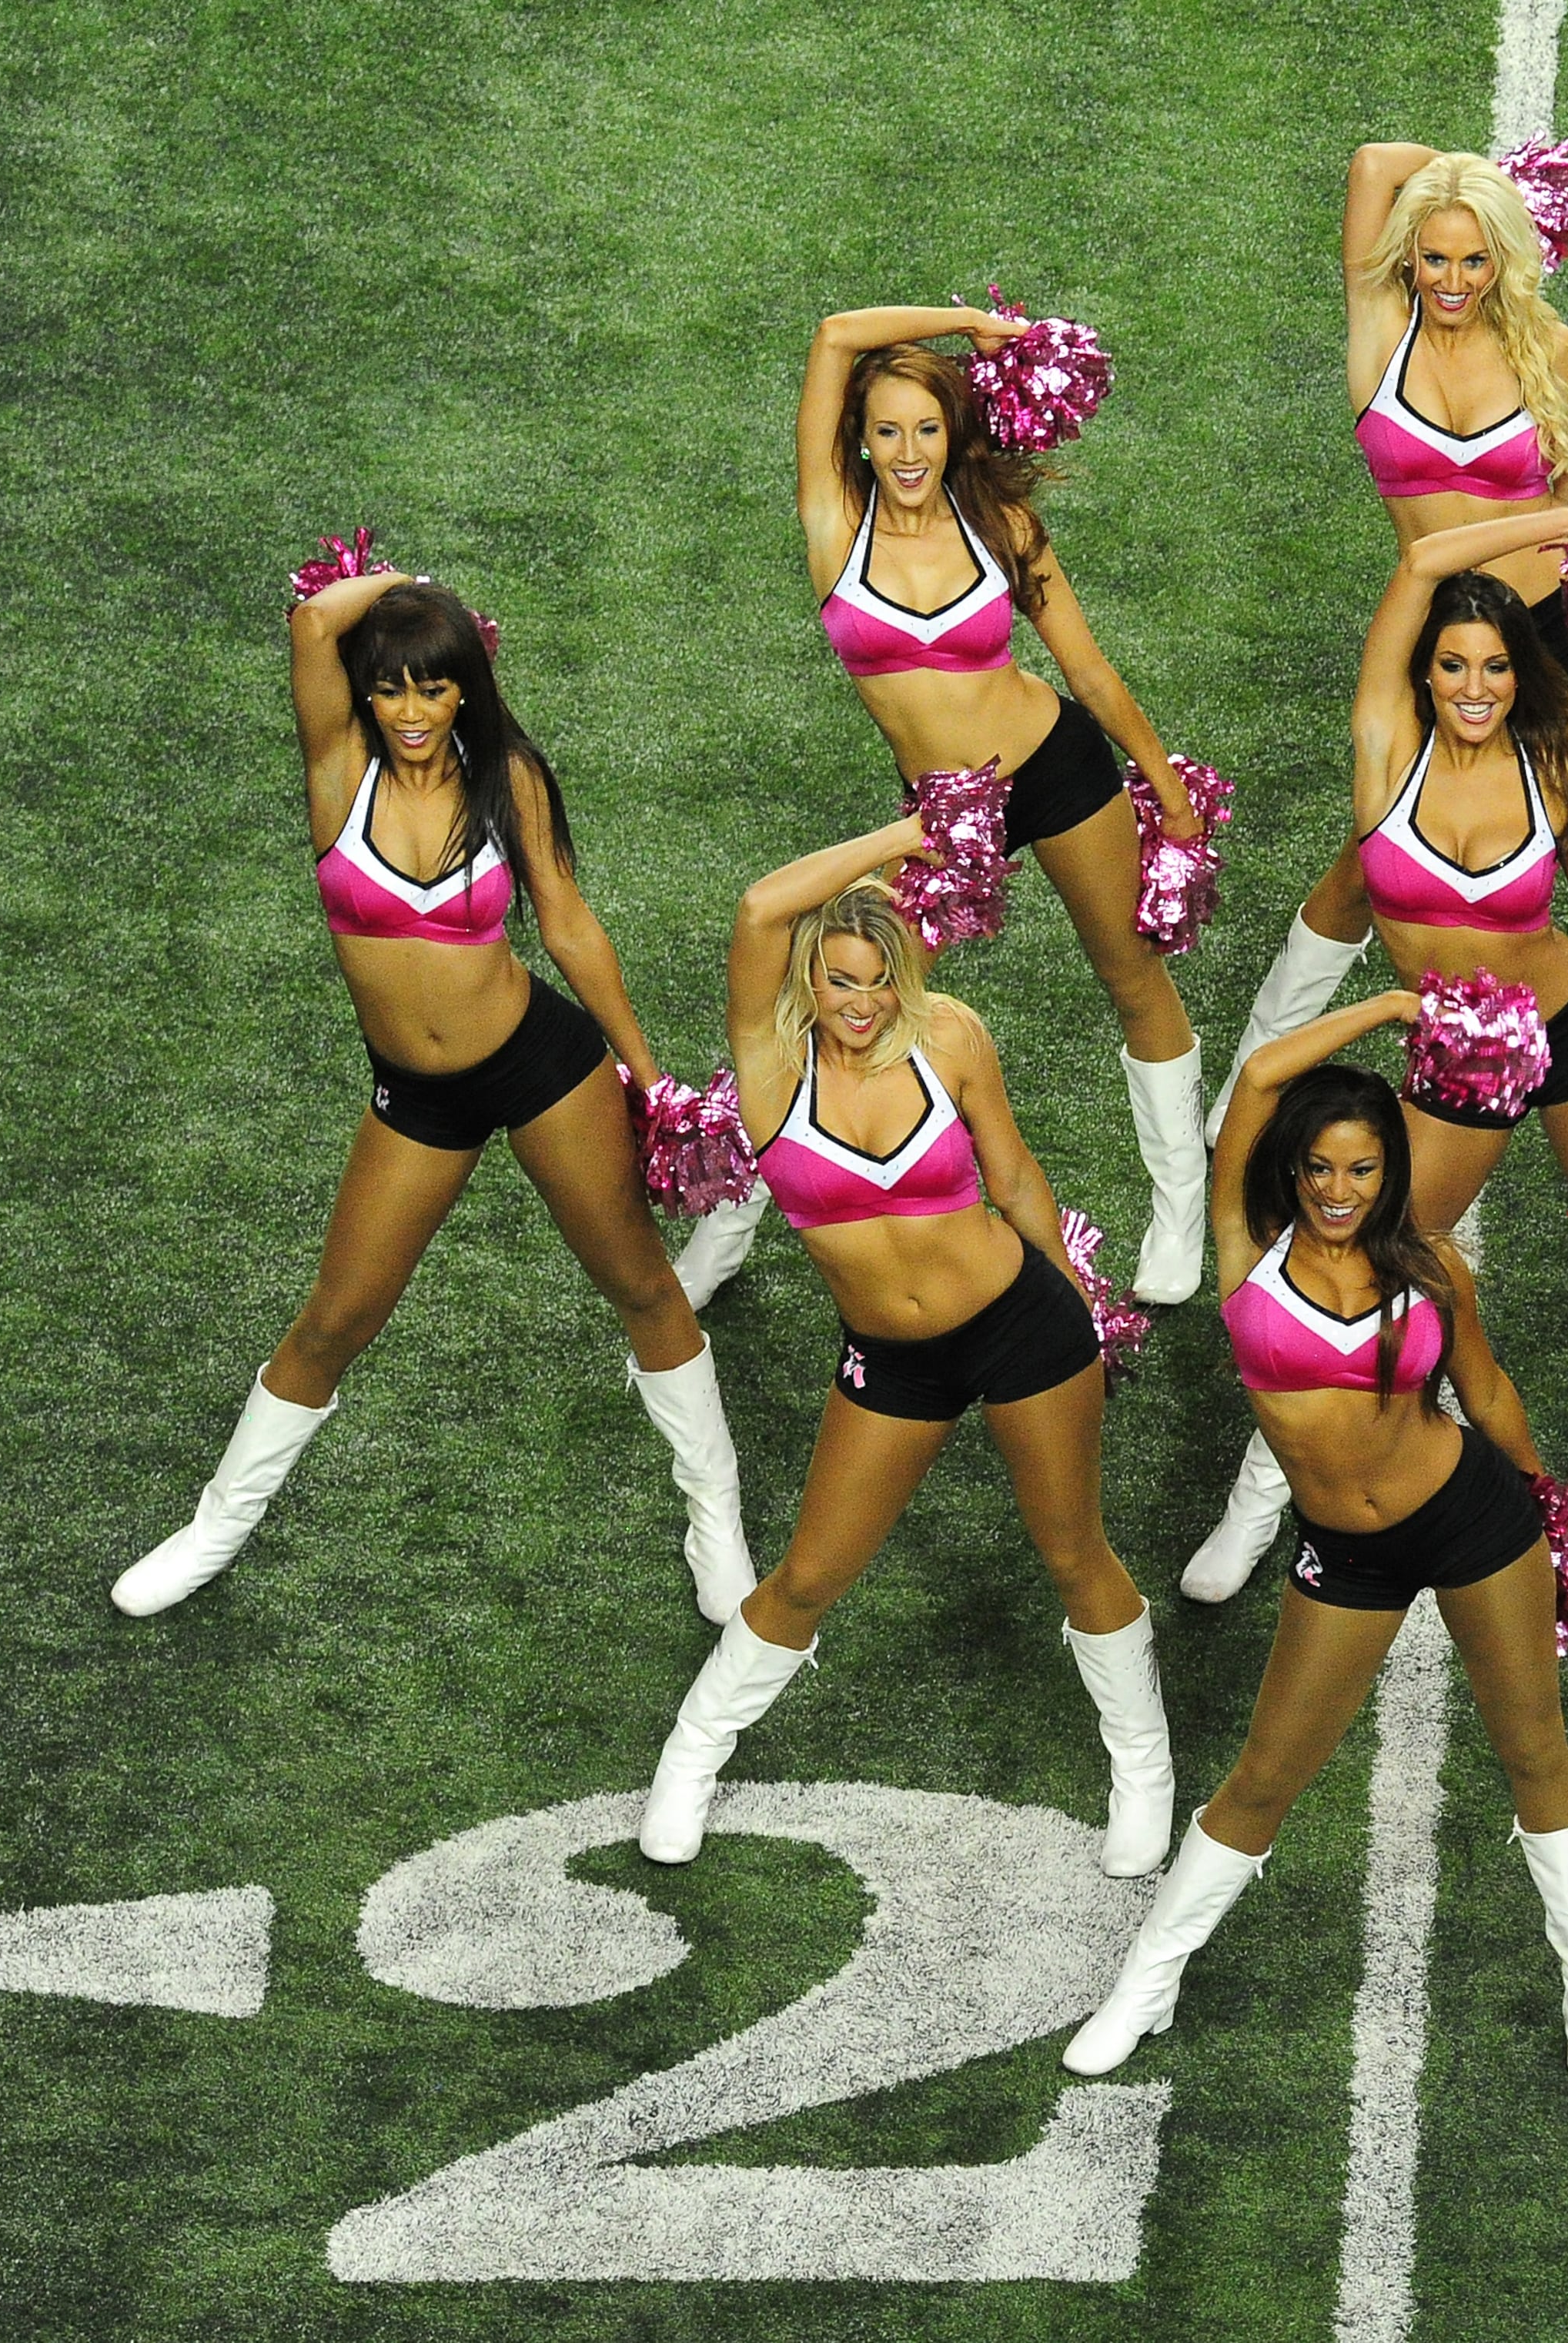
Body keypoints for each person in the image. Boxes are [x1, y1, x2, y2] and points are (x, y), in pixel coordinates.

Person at [112, 573, 755, 1623]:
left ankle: (716, 1520)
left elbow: (569, 926)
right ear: (366, 695)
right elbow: (314, 620)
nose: (412, 712)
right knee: (335, 1319)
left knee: (640, 1286)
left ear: (468, 692)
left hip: (540, 1063)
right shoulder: (338, 774)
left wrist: (646, 1073)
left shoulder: (507, 777)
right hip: (416, 1092)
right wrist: (412, 592)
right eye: (393, 690)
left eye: (436, 689)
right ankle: (216, 1524)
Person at [1065, 995, 1568, 2087]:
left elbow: (1488, 1389)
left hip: (1472, 1518)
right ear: (1294, 1170)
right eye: (1321, 1168)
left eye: (1362, 1170)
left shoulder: (1429, 1268)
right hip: (1345, 1553)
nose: (1337, 1191)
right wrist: (1391, 1005)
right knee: (1266, 1775)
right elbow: (1264, 1074)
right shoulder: (1248, 1250)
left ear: (1391, 1176)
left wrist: (1546, 1501)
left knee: (1534, 1753)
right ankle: (1144, 1985)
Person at [1184, 511, 1568, 1609]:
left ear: (1524, 677)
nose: (1476, 687)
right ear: (1422, 673)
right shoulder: (1386, 748)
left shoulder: (1558, 764)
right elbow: (1426, 560)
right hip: (1459, 1053)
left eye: (1498, 668)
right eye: (1455, 665)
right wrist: (1558, 522)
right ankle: (1263, 1494)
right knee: (1374, 1252)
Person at [637, 821, 1174, 1873]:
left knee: (1073, 1551)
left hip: (1022, 1323)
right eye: (843, 979)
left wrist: (1081, 1319)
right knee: (809, 1574)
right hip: (893, 1360)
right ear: (810, 977)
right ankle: (691, 1759)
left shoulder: (951, 1037)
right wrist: (908, 835)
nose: (864, 1002)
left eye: (882, 980)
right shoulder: (771, 1061)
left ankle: (1141, 1764)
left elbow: (1015, 1181)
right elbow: (757, 907)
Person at [675, 302, 1211, 1312]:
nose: (910, 450)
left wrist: (1166, 789)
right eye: (888, 431)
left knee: (1128, 973)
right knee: (833, 998)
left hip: (1056, 764)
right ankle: (727, 1219)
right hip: (943, 815)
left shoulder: (998, 525)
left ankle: (1179, 1203)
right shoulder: (836, 528)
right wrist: (973, 324)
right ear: (861, 441)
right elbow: (834, 334)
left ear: (954, 433)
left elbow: (1086, 670)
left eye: (928, 427)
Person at [1205, 143, 1568, 1141]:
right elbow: (1370, 163)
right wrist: (1464, 176)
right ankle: (1251, 1078)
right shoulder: (1380, 333)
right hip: (1445, 640)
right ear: (1408, 259)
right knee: (1369, 864)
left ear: (1504, 264)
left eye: (1476, 260)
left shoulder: (1550, 348)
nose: (1453, 282)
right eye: (1436, 258)